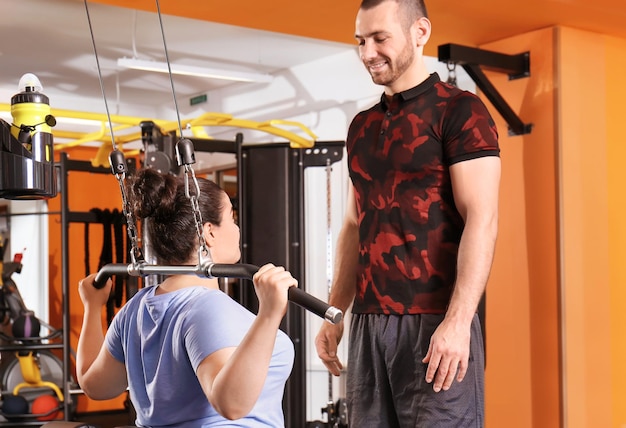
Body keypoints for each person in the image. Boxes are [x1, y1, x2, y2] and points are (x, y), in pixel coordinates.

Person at [315, 0, 501, 426]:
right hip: (369, 324)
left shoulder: (460, 112)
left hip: (435, 322)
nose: (367, 53)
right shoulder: (361, 126)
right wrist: (335, 312)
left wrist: (457, 324)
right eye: (361, 41)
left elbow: (482, 219)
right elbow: (352, 225)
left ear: (420, 32)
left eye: (380, 38)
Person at [75, 168, 296, 427]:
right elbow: (231, 404)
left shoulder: (135, 308)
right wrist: (269, 314)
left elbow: (95, 385)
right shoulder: (207, 307)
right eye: (231, 218)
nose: (236, 229)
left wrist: (92, 307)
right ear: (209, 232)